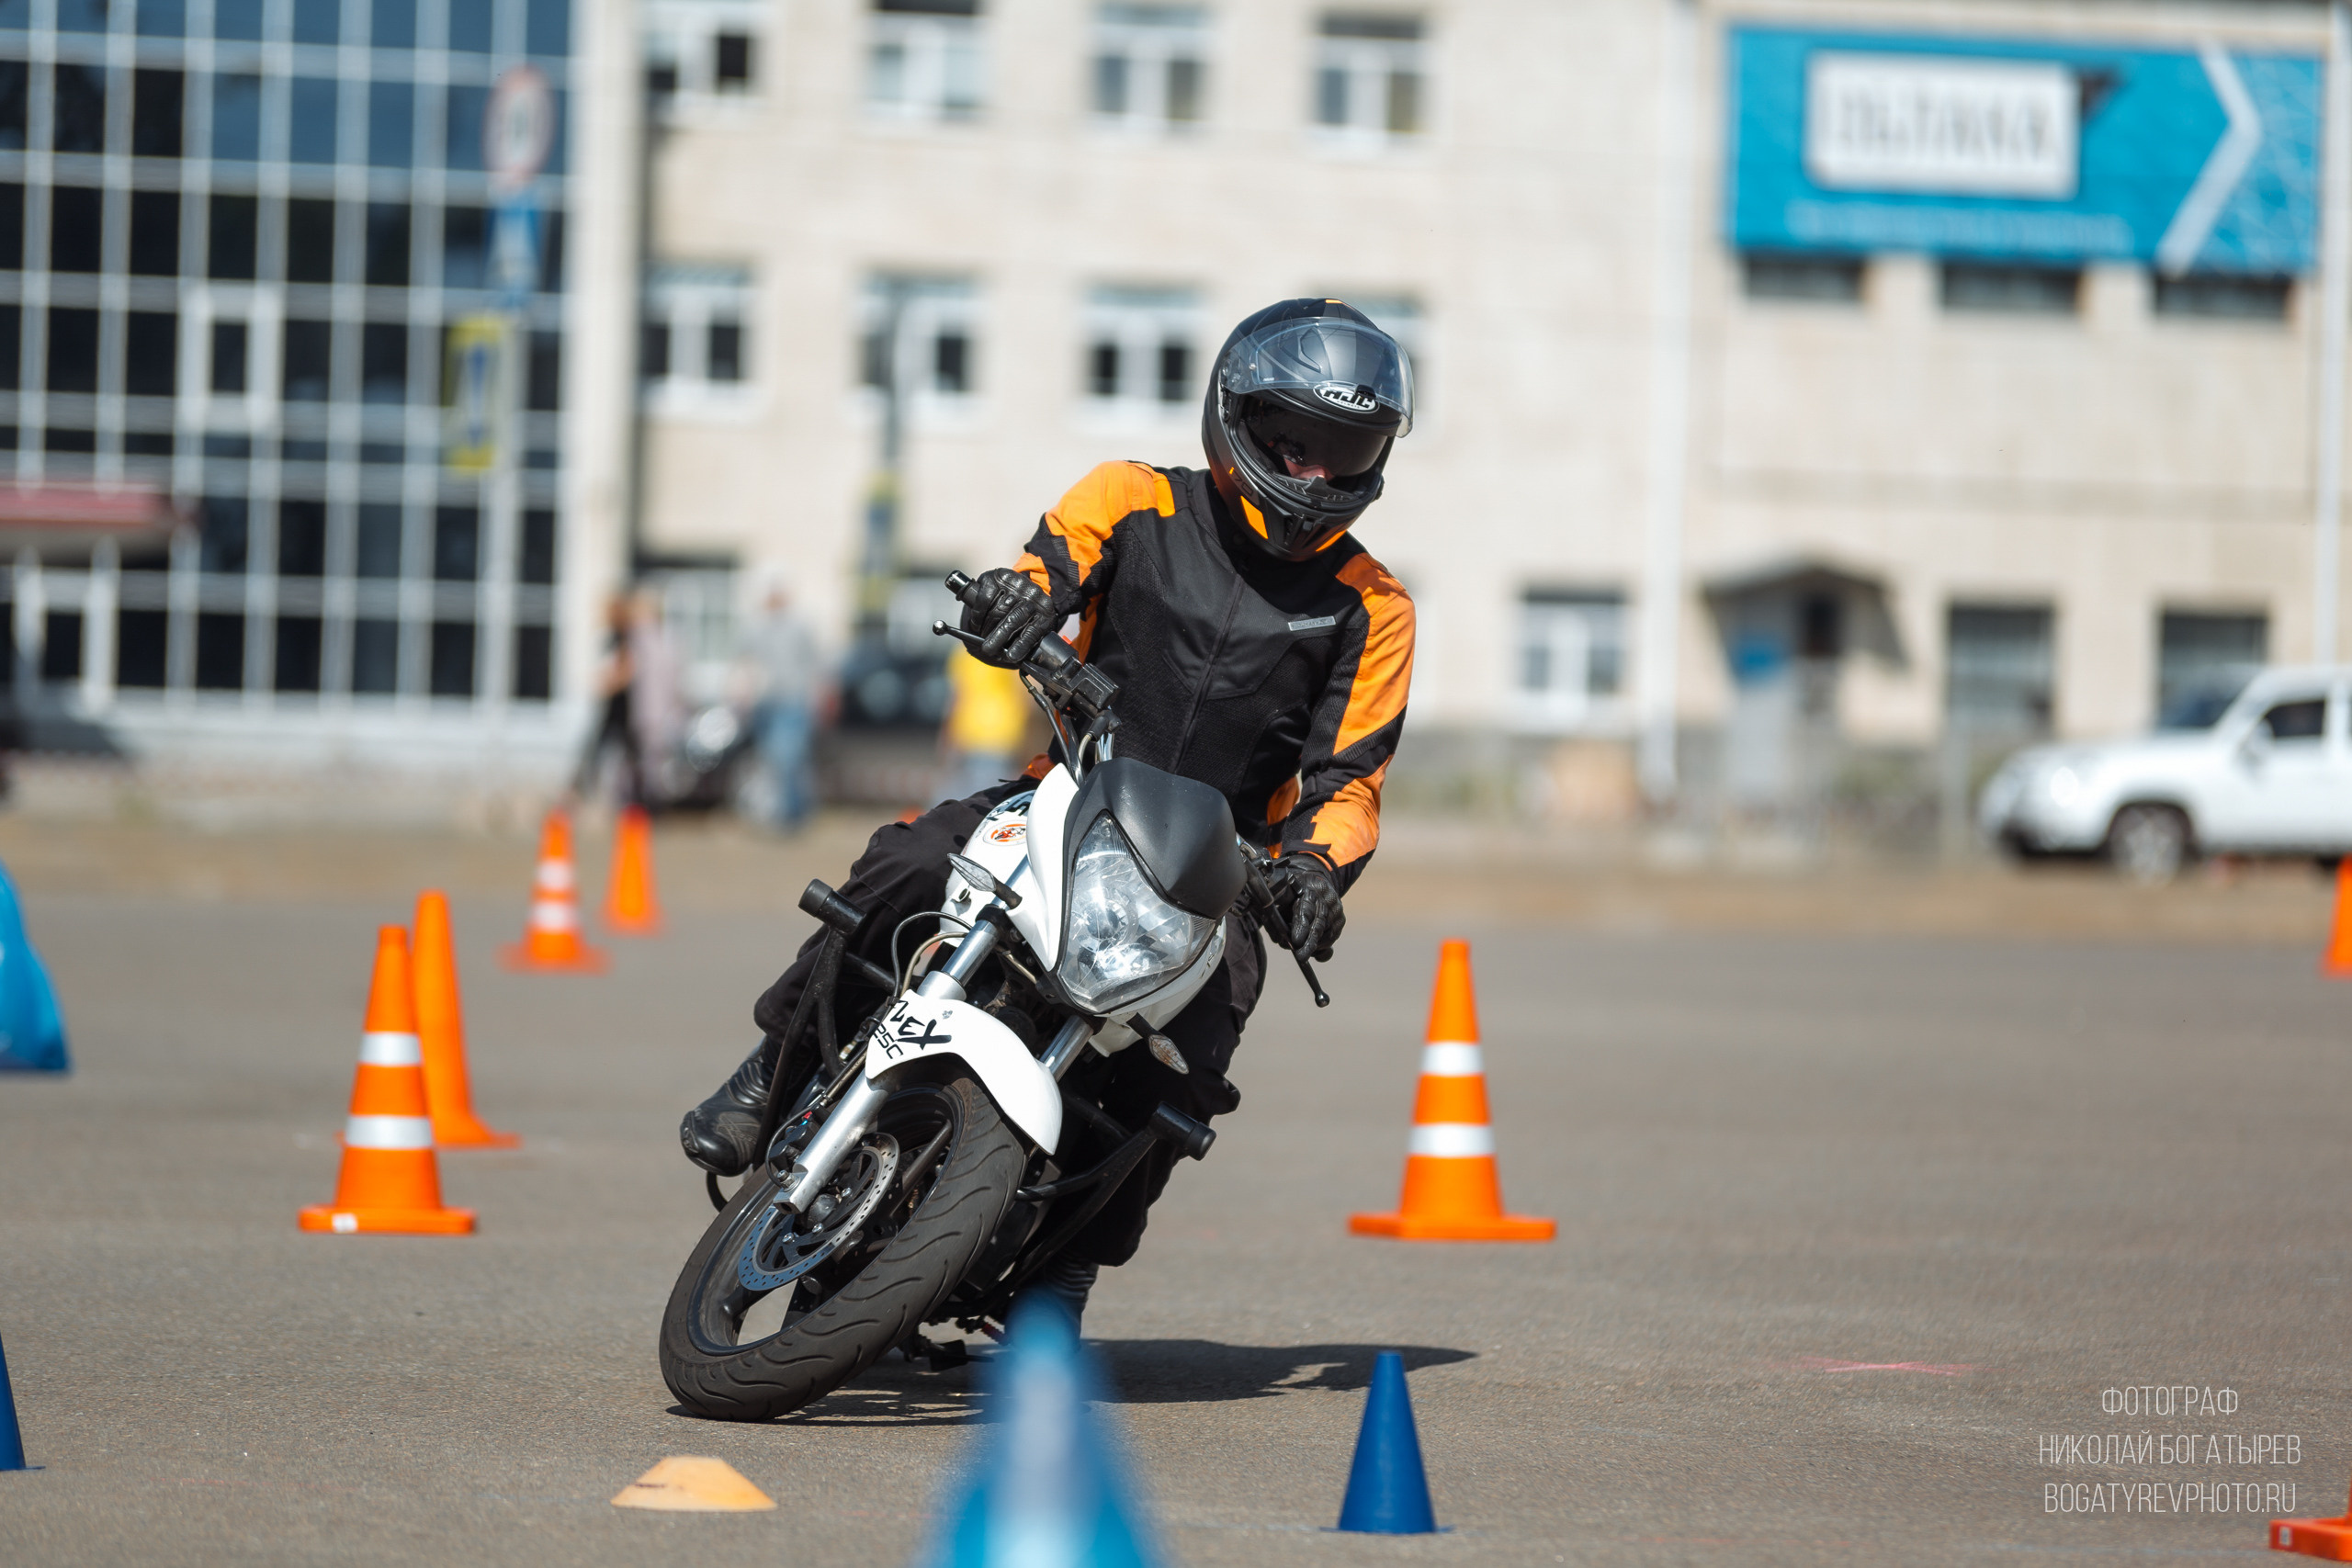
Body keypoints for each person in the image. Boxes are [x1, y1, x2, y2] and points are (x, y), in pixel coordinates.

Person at [679, 299, 1417, 1328]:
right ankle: (774, 1067)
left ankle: (1065, 1272)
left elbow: (1350, 784)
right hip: (1067, 793)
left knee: (1187, 1067)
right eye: (1295, 443)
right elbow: (1042, 573)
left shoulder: (1374, 606)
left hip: (1217, 871)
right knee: (909, 861)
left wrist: (1314, 873)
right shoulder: (1131, 497)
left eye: (1345, 453)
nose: (1316, 474)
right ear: (1235, 415)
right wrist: (1012, 604)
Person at [737, 576, 822, 831]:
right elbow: (745, 661)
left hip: (793, 701)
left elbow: (815, 663)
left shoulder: (799, 627)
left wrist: (818, 698)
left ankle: (791, 814)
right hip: (766, 702)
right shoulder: (757, 627)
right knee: (772, 760)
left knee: (789, 757)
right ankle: (779, 811)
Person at [571, 592, 641, 806]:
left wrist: (609, 684)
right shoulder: (613, 637)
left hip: (622, 707)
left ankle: (638, 799)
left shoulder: (625, 637)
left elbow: (627, 670)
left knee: (628, 755)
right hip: (611, 707)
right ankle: (582, 791)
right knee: (598, 751)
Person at [939, 641, 1032, 802]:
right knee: (990, 799)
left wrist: (948, 737)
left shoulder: (963, 650)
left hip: (970, 733)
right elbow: (1025, 695)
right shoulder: (1008, 648)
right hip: (1002, 734)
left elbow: (957, 698)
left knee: (970, 797)